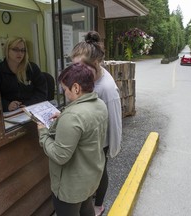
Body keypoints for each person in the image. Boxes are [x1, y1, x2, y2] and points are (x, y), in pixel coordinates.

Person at [37, 62, 108, 216]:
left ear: (76, 88)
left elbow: (59, 156)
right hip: (90, 177)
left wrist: (43, 133)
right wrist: (64, 117)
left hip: (70, 186)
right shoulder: (100, 104)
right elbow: (85, 126)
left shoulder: (73, 116)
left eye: (64, 89)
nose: (64, 93)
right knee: (86, 208)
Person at [71, 31, 122, 216]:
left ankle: (99, 205)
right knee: (92, 170)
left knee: (100, 171)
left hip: (103, 140)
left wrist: (113, 147)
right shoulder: (90, 75)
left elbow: (115, 121)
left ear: (97, 63)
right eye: (74, 68)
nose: (77, 74)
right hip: (91, 135)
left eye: (81, 68)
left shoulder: (107, 88)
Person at [0, 37, 47, 112]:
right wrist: (6, 105)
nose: (20, 53)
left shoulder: (31, 68)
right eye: (15, 49)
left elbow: (42, 91)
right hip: (9, 112)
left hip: (31, 109)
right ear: (7, 50)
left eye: (22, 50)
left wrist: (29, 104)